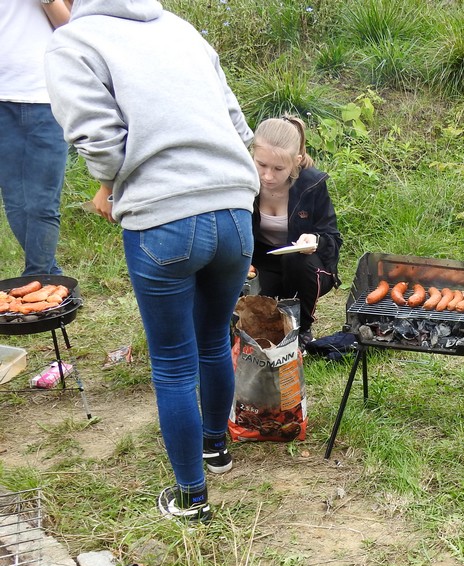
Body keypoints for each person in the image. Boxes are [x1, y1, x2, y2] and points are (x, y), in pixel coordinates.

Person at [44, 0, 260, 521]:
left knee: (172, 364)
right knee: (214, 338)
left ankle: (191, 498)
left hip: (164, 218)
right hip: (235, 209)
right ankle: (215, 449)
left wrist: (108, 184)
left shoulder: (74, 41)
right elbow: (238, 125)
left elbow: (99, 139)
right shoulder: (181, 29)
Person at [250, 116, 342, 348]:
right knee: (259, 322)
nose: (267, 176)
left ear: (296, 162)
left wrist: (315, 240)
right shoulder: (243, 181)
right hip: (262, 263)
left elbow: (333, 238)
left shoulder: (312, 184)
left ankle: (303, 329)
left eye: (278, 168)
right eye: (261, 165)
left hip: (305, 267)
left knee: (295, 259)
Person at [0, 0, 71, 277]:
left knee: (42, 201)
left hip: (44, 96)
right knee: (15, 200)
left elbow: (73, 26)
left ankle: (38, 278)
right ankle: (49, 278)